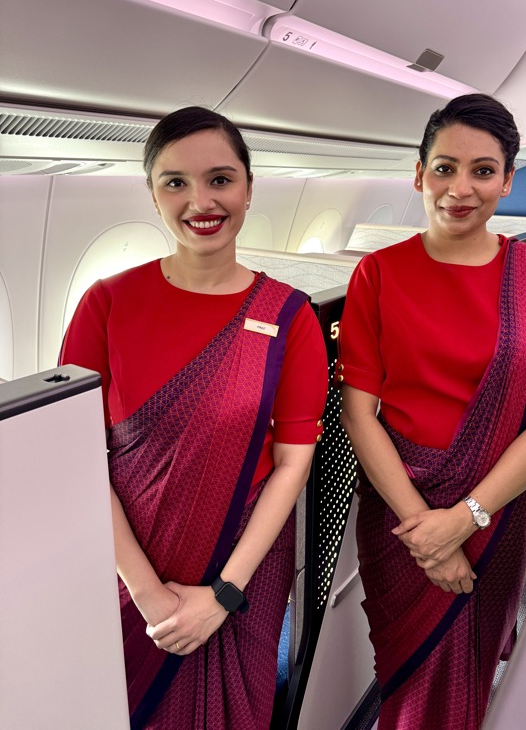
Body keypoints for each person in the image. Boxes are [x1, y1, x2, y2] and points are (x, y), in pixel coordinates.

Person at [59, 106, 328, 729]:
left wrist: (224, 595)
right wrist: (147, 593)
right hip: (129, 572)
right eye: (174, 182)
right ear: (152, 194)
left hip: (244, 576)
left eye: (220, 179)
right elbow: (77, 460)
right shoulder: (106, 303)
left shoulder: (291, 318)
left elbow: (292, 464)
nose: (200, 200)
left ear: (249, 187)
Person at [337, 93, 526, 729]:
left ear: (507, 179)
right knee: (406, 673)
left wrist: (466, 520)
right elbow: (359, 413)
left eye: (483, 171)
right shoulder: (377, 275)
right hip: (402, 516)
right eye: (444, 167)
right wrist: (429, 530)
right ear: (418, 174)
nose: (460, 189)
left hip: (496, 512)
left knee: (468, 671)